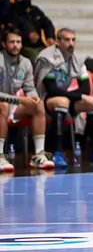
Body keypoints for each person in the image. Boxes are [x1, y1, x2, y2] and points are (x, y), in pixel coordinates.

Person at [35, 28, 93, 168]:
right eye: (67, 40)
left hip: (67, 99)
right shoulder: (47, 58)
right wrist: (82, 96)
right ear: (57, 41)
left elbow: (84, 88)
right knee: (62, 101)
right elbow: (52, 89)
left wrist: (84, 97)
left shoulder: (77, 59)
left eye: (73, 40)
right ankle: (57, 152)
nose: (71, 43)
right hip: (45, 100)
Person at [0, 29, 53, 171]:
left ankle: (38, 155)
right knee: (3, 105)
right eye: (11, 42)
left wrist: (34, 98)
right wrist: (20, 100)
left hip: (13, 104)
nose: (15, 45)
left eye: (18, 42)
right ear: (4, 44)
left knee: (39, 106)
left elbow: (29, 88)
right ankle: (0, 156)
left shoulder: (26, 63)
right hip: (3, 104)